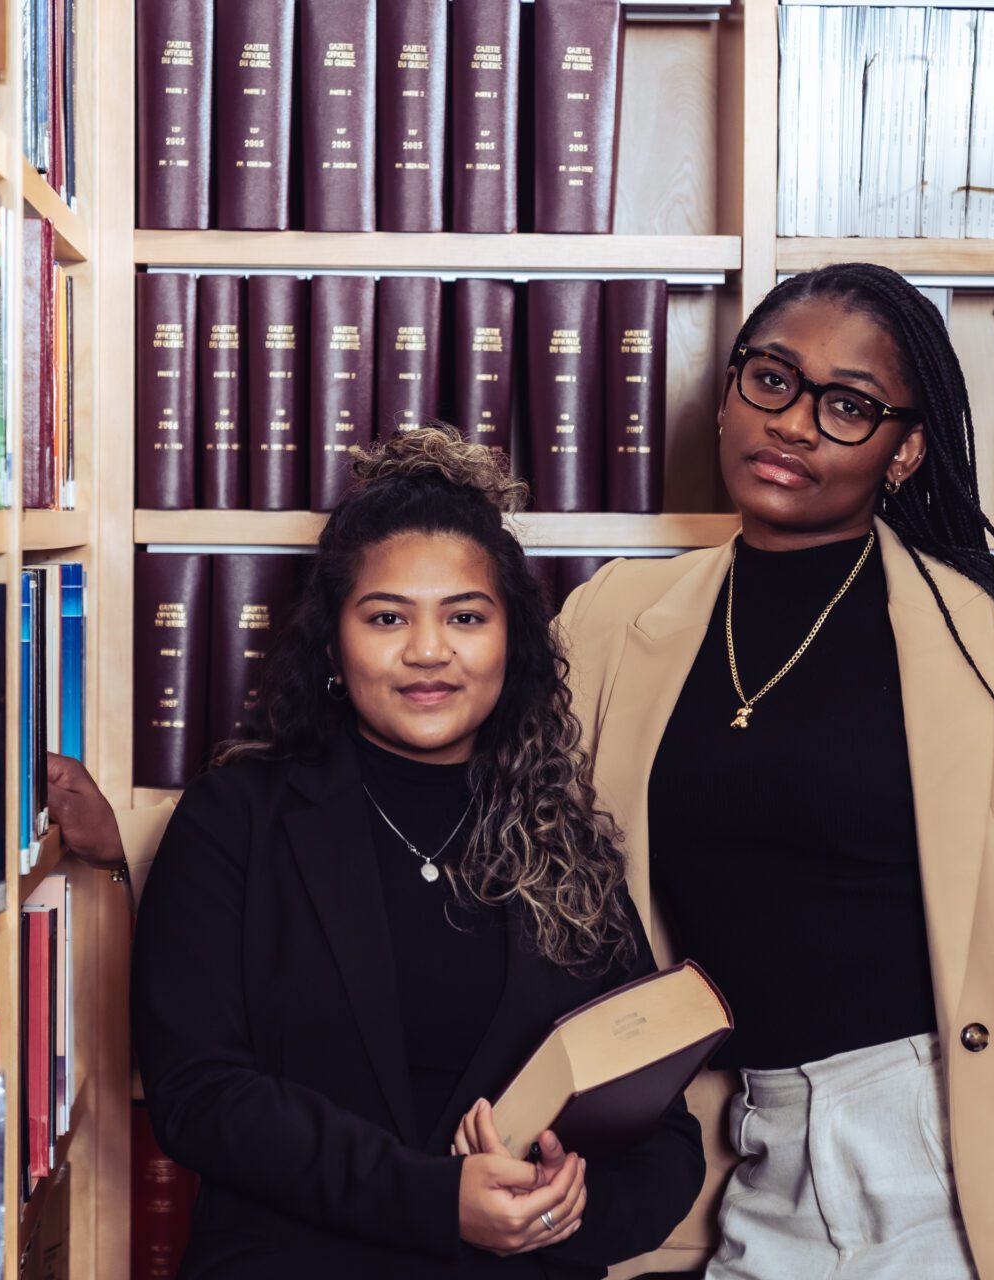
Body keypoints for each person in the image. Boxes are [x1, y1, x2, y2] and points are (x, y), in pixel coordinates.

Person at [553, 264, 994, 1280]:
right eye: (772, 380)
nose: (792, 424)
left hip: (958, 1157)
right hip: (739, 1149)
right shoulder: (613, 618)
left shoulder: (979, 628)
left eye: (848, 407)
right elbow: (541, 888)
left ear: (906, 448)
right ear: (730, 391)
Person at [49, 427, 704, 1278]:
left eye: (466, 617)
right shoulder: (236, 816)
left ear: (514, 642)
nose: (428, 651)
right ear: (332, 644)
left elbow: (667, 1134)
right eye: (387, 617)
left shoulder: (565, 837)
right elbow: (198, 1096)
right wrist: (438, 1202)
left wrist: (564, 1211)